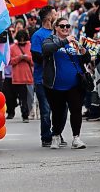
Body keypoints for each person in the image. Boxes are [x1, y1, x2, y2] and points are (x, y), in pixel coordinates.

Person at [42, 17, 91, 149]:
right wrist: (64, 41)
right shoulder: (50, 40)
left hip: (75, 84)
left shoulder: (75, 41)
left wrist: (84, 52)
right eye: (62, 26)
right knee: (58, 112)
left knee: (76, 110)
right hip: (55, 85)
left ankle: (76, 138)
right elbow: (46, 50)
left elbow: (86, 59)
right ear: (56, 28)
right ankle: (56, 136)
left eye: (67, 26)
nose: (65, 28)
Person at [30, 5, 59, 147]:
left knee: (60, 109)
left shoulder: (59, 32)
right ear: (49, 18)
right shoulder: (38, 35)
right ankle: (46, 137)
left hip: (59, 78)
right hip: (42, 79)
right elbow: (36, 57)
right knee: (46, 110)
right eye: (55, 14)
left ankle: (57, 134)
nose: (57, 15)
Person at [9, 29, 33, 123]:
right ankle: (25, 114)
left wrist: (27, 58)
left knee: (29, 98)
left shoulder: (30, 46)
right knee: (22, 98)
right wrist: (19, 58)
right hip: (18, 78)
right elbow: (10, 61)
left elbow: (34, 61)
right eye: (20, 39)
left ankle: (27, 112)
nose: (22, 41)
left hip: (28, 76)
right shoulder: (12, 47)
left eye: (24, 39)